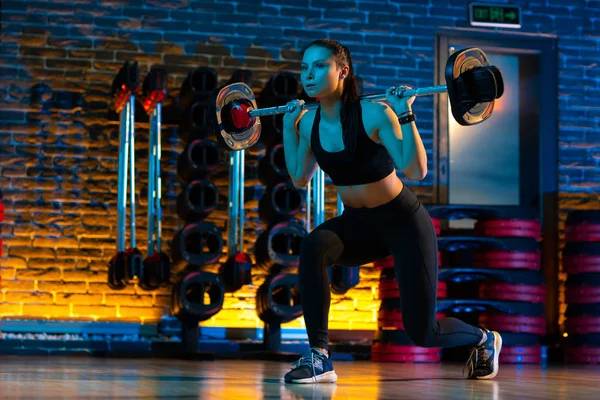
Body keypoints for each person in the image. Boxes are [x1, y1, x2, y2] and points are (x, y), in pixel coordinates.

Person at [280, 39, 502, 384]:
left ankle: (485, 339)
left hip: (403, 222)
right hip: (358, 224)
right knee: (314, 245)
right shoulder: (307, 123)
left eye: (320, 66)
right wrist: (287, 128)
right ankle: (319, 357)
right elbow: (299, 177)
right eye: (305, 67)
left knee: (422, 333)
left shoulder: (375, 113)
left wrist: (404, 112)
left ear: (342, 71)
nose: (309, 74)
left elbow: (415, 170)